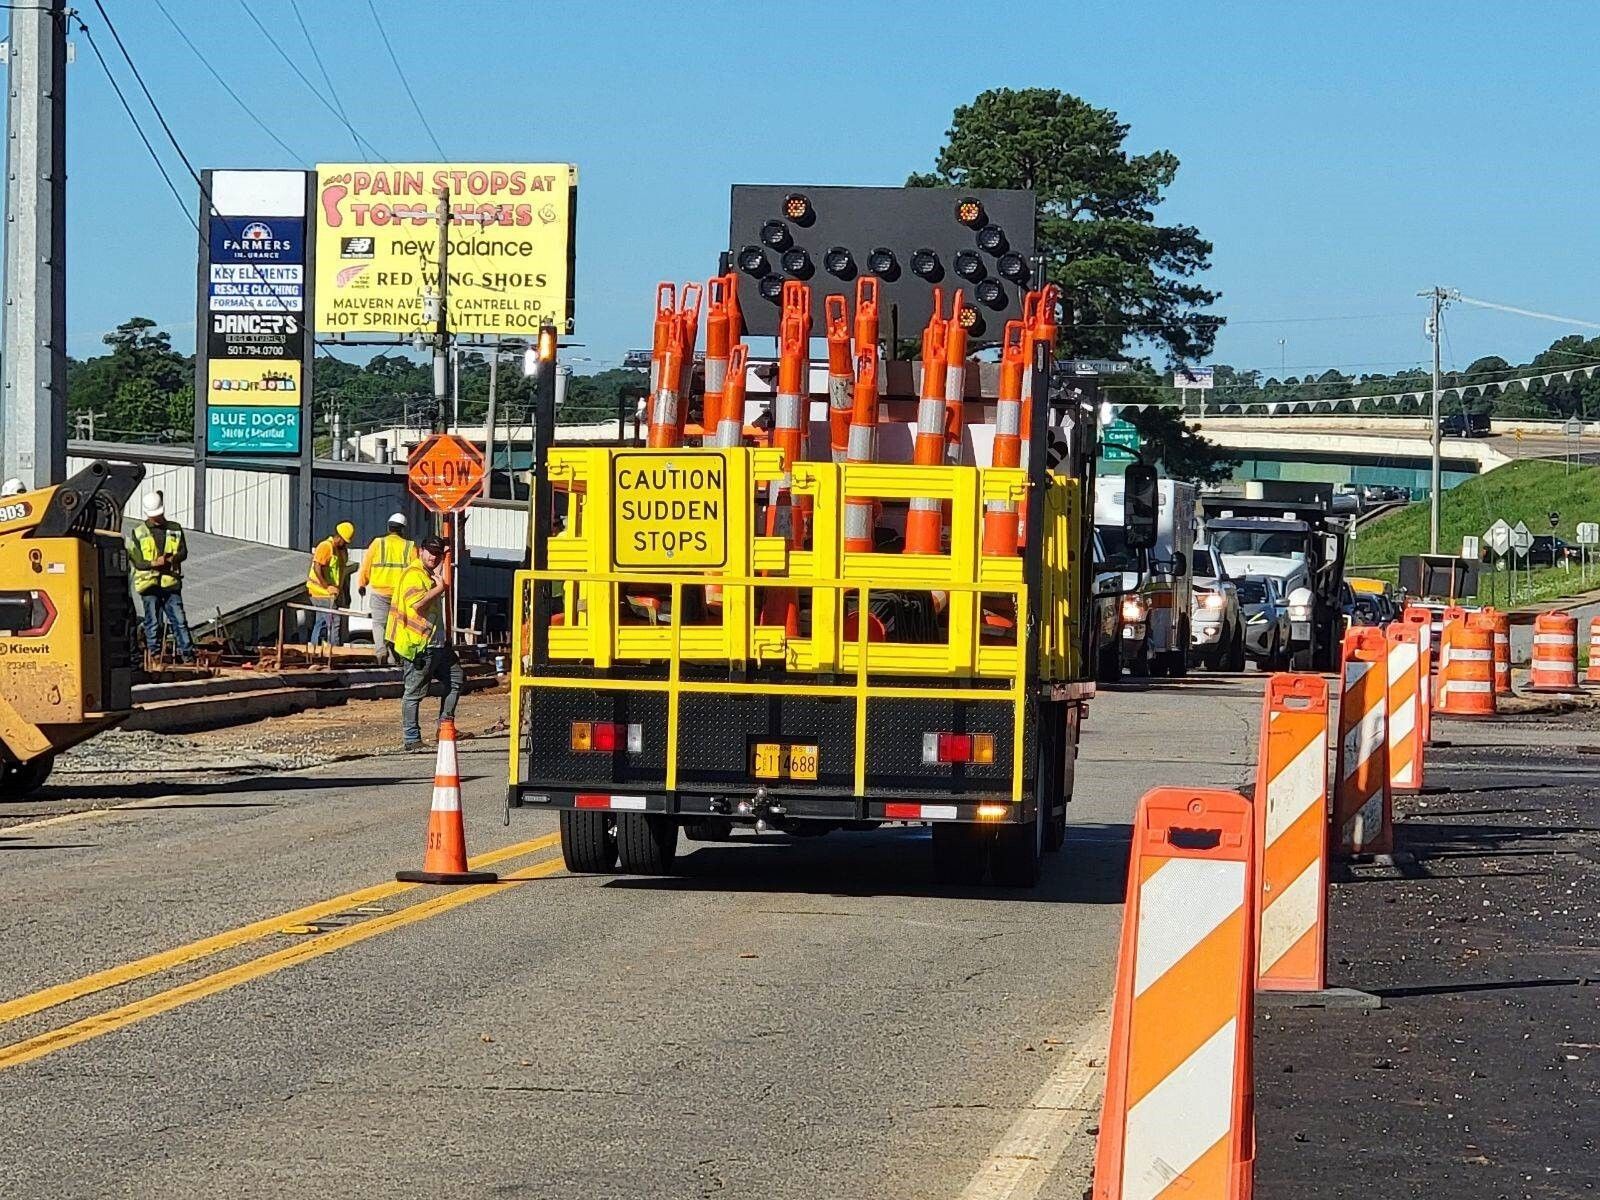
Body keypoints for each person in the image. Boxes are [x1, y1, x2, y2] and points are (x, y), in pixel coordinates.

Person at [387, 534, 462, 752]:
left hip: (435, 644)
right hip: (419, 645)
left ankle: (445, 727)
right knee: (413, 693)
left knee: (456, 678)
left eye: (438, 554)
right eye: (431, 552)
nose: (434, 557)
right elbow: (417, 605)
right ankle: (412, 739)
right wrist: (440, 588)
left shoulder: (427, 573)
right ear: (421, 551)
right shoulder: (414, 575)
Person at [125, 491, 194, 662]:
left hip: (170, 583)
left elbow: (183, 552)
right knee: (153, 622)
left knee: (179, 620)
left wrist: (171, 559)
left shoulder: (175, 529)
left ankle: (187, 654)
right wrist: (155, 563)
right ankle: (155, 655)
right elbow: (137, 561)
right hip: (149, 584)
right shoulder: (139, 532)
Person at [355, 512, 417, 667]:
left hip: (379, 591)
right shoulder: (409, 546)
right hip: (400, 594)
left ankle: (381, 651)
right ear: (403, 529)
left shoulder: (378, 543)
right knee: (396, 626)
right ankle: (392, 659)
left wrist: (362, 584)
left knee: (379, 624)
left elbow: (366, 564)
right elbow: (416, 570)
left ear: (389, 527)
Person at [307, 521, 355, 648]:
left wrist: (344, 592)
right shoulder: (325, 547)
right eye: (344, 541)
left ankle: (314, 648)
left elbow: (341, 574)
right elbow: (318, 568)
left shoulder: (341, 552)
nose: (345, 544)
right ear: (338, 537)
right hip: (320, 592)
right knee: (334, 622)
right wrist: (326, 586)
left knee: (321, 621)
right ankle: (335, 650)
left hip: (331, 594)